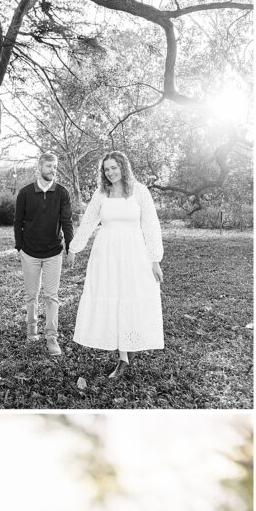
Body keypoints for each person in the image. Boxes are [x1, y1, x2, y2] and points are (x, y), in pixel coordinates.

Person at [68, 149, 164, 376]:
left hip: (134, 253)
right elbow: (89, 222)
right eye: (106, 169)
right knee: (113, 297)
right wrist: (74, 248)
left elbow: (151, 225)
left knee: (131, 296)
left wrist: (155, 259)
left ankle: (130, 347)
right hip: (107, 253)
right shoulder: (102, 193)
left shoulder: (140, 192)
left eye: (114, 167)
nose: (110, 173)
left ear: (123, 167)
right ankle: (123, 356)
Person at [14, 145, 74, 361]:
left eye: (55, 167)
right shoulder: (25, 193)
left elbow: (67, 222)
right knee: (32, 296)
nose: (53, 170)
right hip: (29, 253)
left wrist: (70, 247)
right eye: (49, 166)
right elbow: (17, 222)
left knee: (51, 297)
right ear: (39, 167)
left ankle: (51, 337)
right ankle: (32, 330)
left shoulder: (62, 193)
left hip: (53, 253)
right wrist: (19, 248)